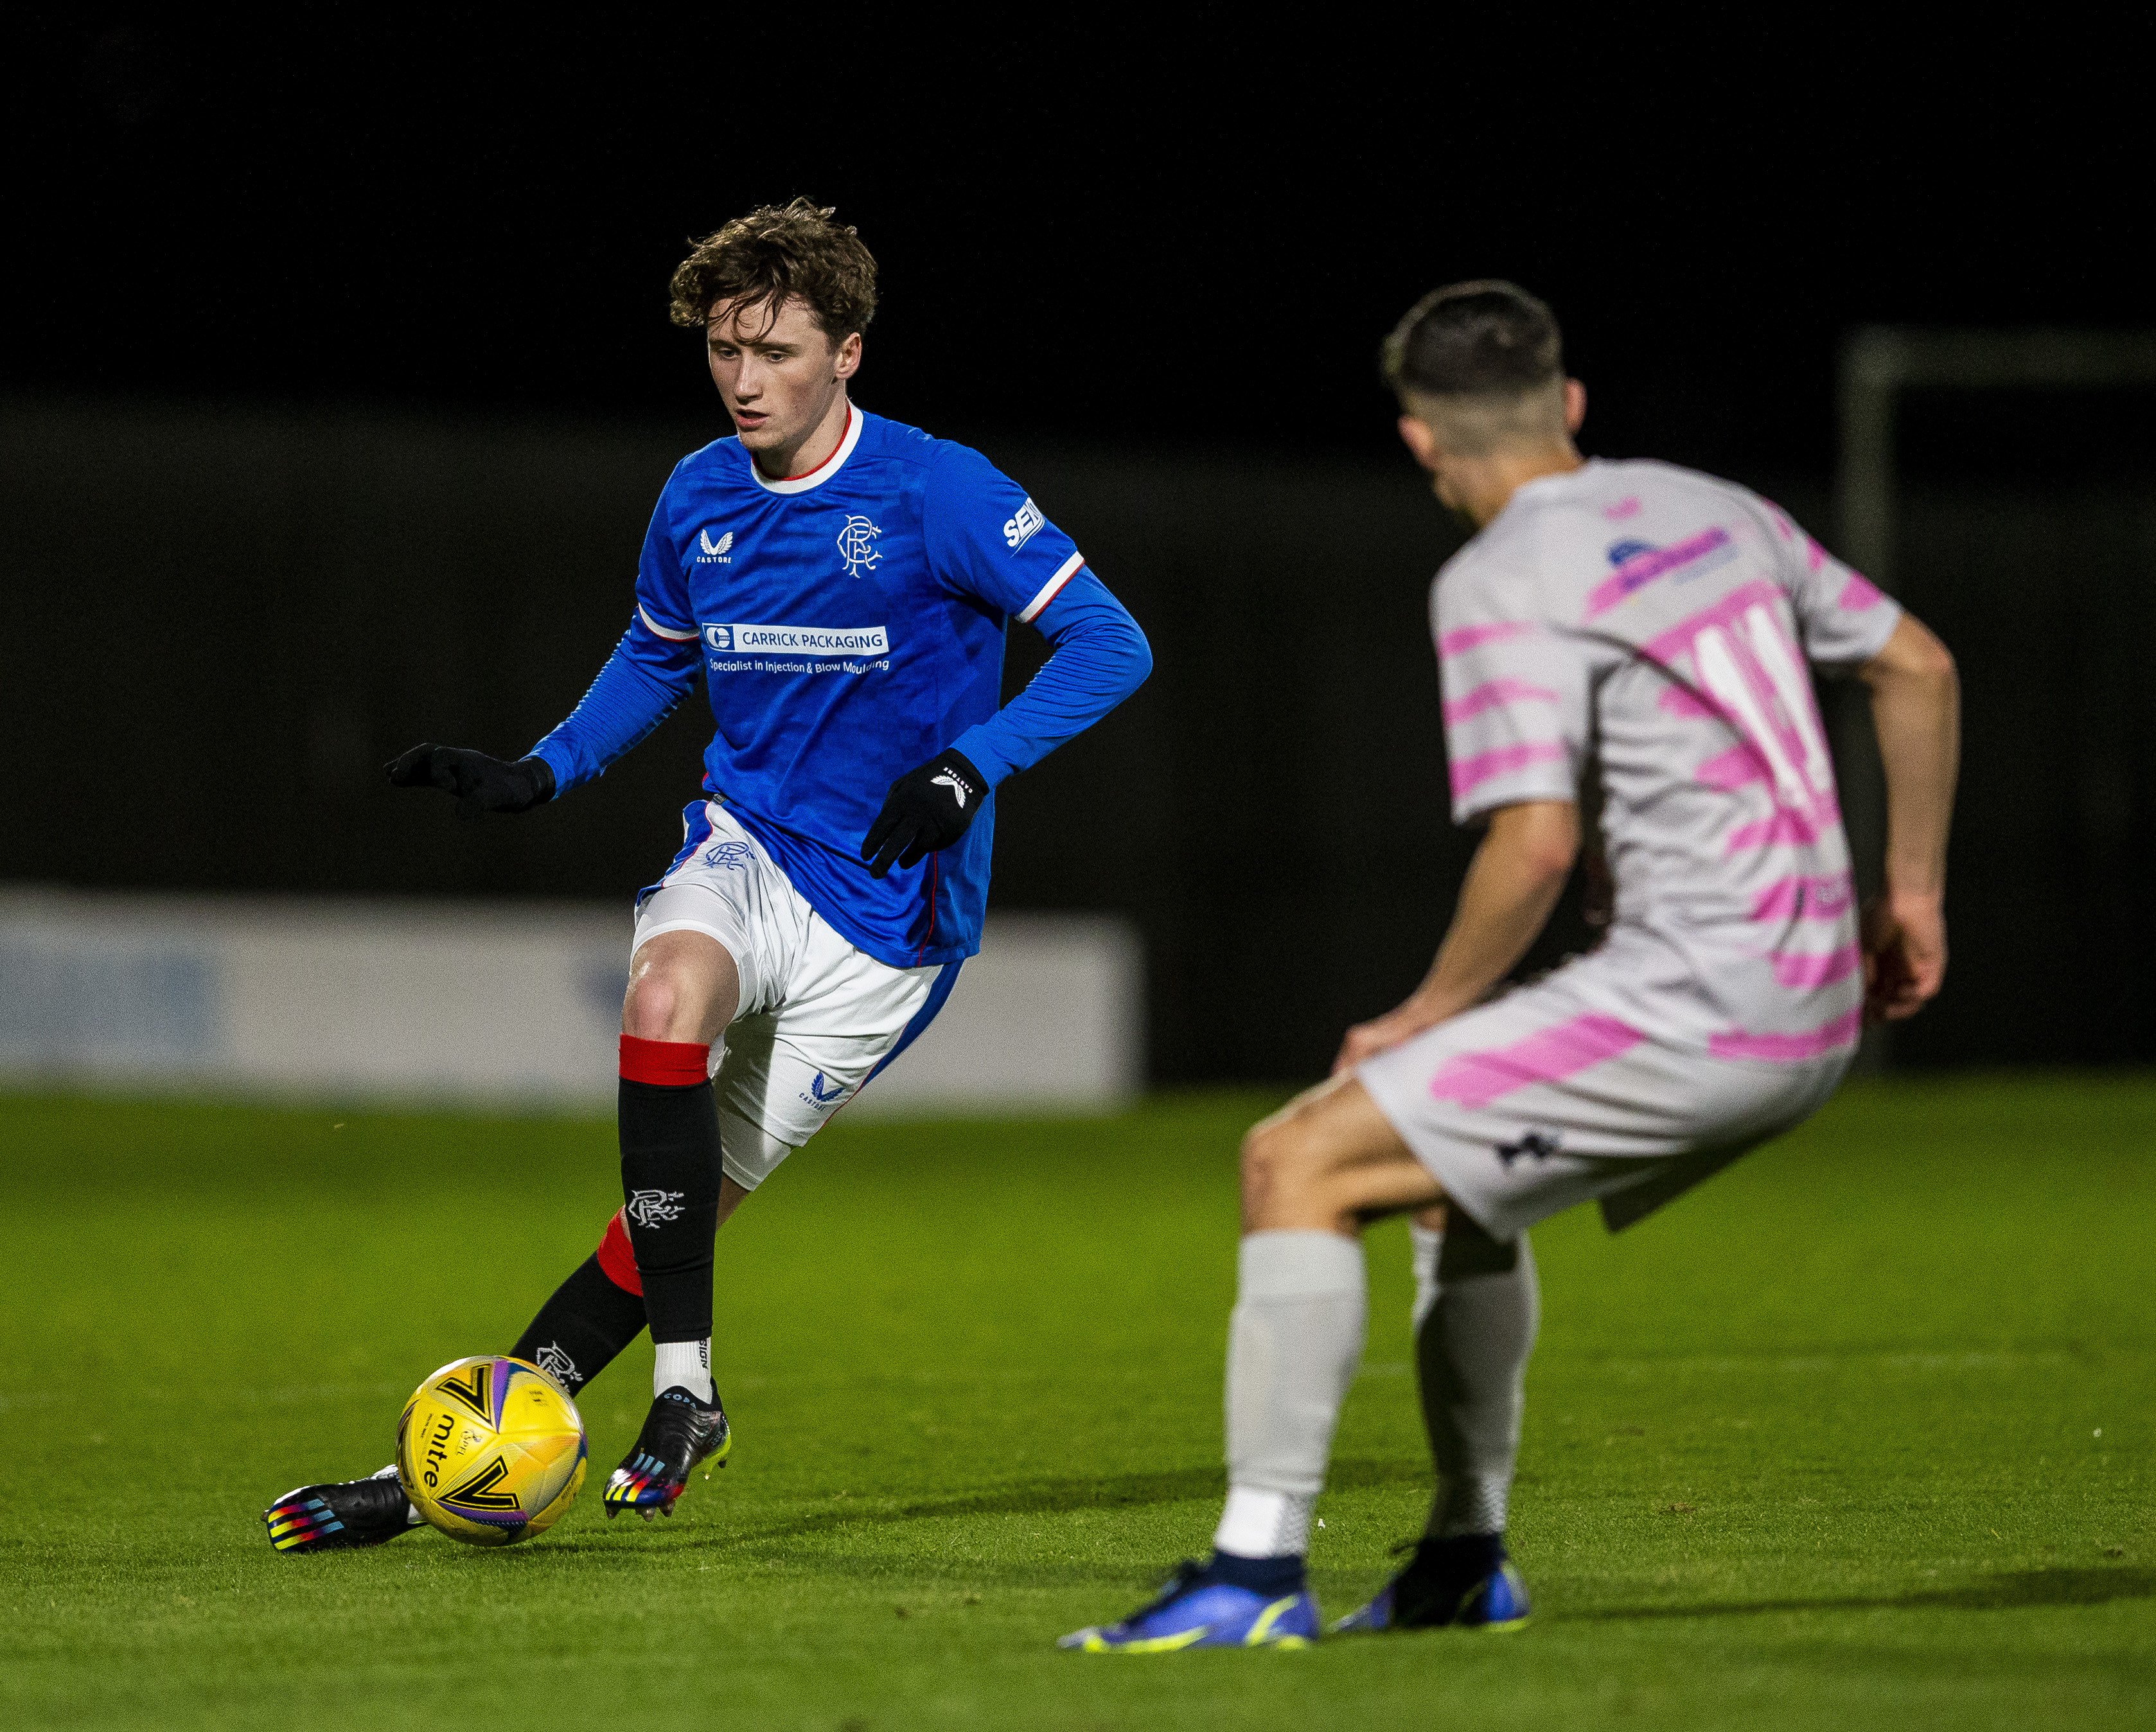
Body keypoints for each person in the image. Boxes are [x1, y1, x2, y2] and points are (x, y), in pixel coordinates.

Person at [1064, 280, 1957, 1650]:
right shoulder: (1716, 509)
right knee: (1451, 1190)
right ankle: (1462, 1557)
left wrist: (1423, 1012)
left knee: (1292, 1162)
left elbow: (1533, 845)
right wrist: (1907, 895)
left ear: (1421, 443)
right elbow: (1917, 665)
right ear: (1572, 405)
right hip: (1811, 988)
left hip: (1702, 1000)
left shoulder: (1493, 576)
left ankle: (1250, 1578)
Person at [263, 199, 1151, 1551]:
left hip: (891, 921)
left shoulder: (938, 490)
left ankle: (457, 1463)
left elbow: (1108, 641)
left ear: (849, 350)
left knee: (665, 1217)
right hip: (744, 842)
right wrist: (545, 767)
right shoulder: (696, 493)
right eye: (724, 351)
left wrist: (973, 762)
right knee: (666, 994)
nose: (746, 380)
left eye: (778, 352)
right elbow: (660, 654)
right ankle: (686, 1389)